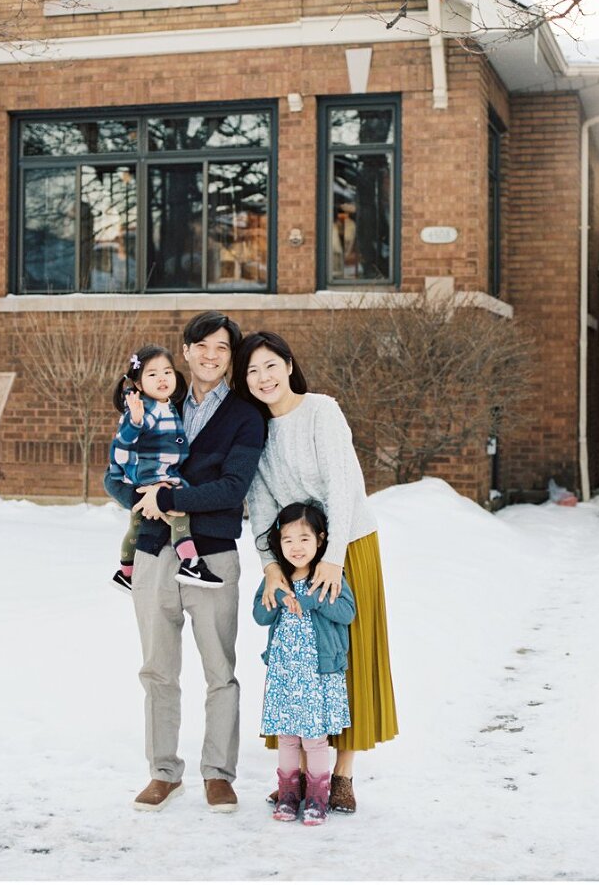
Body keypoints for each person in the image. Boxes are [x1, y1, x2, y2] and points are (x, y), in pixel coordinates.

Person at [232, 330, 398, 815]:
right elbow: (260, 501)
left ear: (288, 363)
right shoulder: (257, 429)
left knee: (344, 658)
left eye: (269, 365)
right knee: (297, 664)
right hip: (295, 554)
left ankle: (341, 776)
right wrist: (269, 565)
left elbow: (341, 485)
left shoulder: (322, 410)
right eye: (251, 371)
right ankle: (301, 771)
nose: (263, 378)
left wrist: (335, 557)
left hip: (348, 546)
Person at [128, 311, 266, 814]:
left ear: (232, 357)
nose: (210, 355)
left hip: (212, 554)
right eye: (201, 345)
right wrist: (133, 493)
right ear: (184, 349)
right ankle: (163, 771)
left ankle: (218, 774)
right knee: (158, 670)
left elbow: (234, 487)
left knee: (219, 670)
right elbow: (122, 467)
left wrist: (169, 498)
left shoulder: (245, 417)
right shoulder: (154, 398)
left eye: (222, 348)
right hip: (152, 553)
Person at [253, 501, 356, 826]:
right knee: (286, 737)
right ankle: (287, 795)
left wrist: (312, 600)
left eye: (304, 539)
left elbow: (346, 613)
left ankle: (316, 798)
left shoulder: (328, 577)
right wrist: (278, 598)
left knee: (314, 739)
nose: (296, 547)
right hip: (285, 674)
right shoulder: (277, 578)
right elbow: (259, 615)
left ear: (321, 540)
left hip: (318, 676)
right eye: (288, 540)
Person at [104, 344, 224, 591]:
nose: (162, 378)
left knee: (136, 526)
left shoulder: (167, 405)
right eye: (152, 374)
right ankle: (190, 563)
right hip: (152, 480)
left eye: (167, 372)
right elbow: (122, 447)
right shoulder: (142, 410)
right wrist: (134, 423)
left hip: (161, 476)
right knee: (180, 515)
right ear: (138, 383)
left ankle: (126, 573)